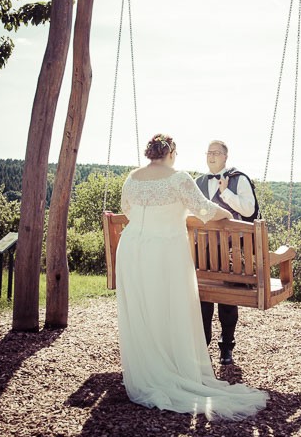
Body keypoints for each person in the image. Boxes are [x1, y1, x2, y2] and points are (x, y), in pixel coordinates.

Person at [115, 133, 268, 420]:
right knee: (169, 307)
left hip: (131, 248)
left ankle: (148, 367)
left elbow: (127, 210)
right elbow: (206, 210)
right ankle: (170, 366)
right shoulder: (179, 177)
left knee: (142, 309)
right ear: (170, 152)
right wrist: (225, 214)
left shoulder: (132, 177)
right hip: (163, 250)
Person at [196, 140, 257, 365]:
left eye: (216, 152)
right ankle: (203, 345)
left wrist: (225, 194)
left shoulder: (239, 179)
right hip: (202, 250)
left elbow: (249, 210)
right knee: (202, 299)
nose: (211, 156)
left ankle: (227, 346)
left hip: (231, 250)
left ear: (225, 157)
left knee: (227, 300)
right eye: (208, 152)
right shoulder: (198, 182)